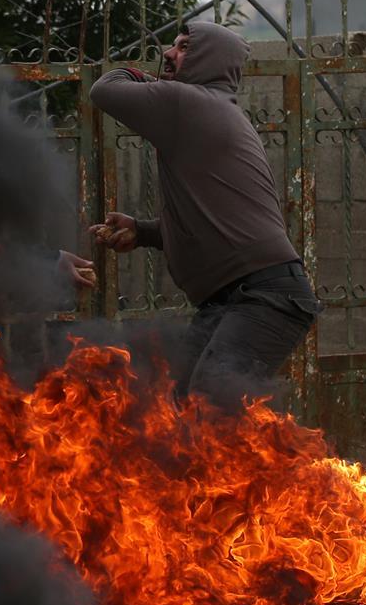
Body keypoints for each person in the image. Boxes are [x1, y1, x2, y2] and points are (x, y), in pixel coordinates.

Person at [89, 21, 321, 412]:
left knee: (208, 409)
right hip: (233, 297)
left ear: (209, 60)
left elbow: (105, 88)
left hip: (264, 296)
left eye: (183, 47)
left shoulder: (187, 103)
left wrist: (140, 75)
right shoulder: (208, 107)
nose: (168, 53)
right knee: (181, 407)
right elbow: (214, 221)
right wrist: (143, 232)